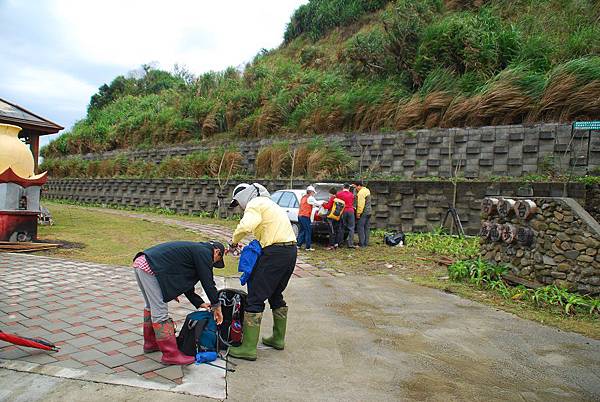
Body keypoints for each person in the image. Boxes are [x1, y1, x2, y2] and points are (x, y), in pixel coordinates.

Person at [227, 182, 297, 361]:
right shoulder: (271, 204)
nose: (240, 208)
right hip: (290, 251)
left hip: (274, 253)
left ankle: (248, 348)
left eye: (238, 203)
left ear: (245, 196)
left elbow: (246, 226)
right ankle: (278, 339)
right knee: (275, 294)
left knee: (255, 297)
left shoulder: (255, 203)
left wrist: (233, 242)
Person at [133, 241, 225, 365]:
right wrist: (216, 305)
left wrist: (199, 303)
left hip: (142, 262)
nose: (212, 264)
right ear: (217, 252)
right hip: (150, 267)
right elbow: (207, 281)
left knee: (151, 306)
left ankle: (151, 343)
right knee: (160, 312)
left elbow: (182, 277)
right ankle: (170, 355)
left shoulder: (194, 250)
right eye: (215, 261)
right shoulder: (205, 252)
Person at [296, 185, 323, 251]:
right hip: (305, 216)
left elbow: (309, 205)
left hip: (300, 216)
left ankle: (298, 245)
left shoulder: (303, 197)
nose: (314, 194)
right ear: (311, 192)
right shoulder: (310, 198)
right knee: (308, 231)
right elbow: (317, 203)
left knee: (302, 230)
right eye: (313, 192)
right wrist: (324, 202)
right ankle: (308, 247)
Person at [336, 183, 356, 248]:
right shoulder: (352, 195)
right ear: (349, 188)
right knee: (351, 228)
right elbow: (353, 202)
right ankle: (350, 244)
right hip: (351, 211)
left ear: (343, 187)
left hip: (343, 211)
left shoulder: (339, 194)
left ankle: (340, 243)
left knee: (341, 227)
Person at [353, 180, 372, 248]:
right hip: (369, 212)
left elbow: (361, 204)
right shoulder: (367, 190)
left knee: (360, 227)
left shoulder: (361, 193)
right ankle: (366, 243)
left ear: (359, 186)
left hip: (363, 212)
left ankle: (361, 244)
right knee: (366, 228)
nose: (355, 189)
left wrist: (358, 213)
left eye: (355, 187)